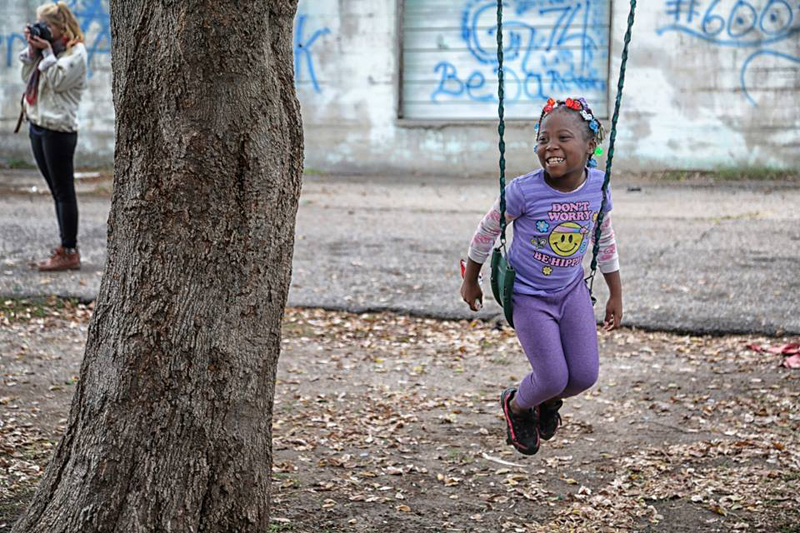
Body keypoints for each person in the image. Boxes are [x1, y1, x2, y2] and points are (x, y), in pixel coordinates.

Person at [460, 97, 623, 456]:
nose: (551, 146)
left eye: (563, 137)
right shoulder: (523, 190)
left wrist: (615, 292)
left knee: (582, 376)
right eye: (543, 138)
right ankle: (518, 406)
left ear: (590, 145)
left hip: (571, 291)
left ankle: (545, 401)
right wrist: (471, 277)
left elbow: (604, 238)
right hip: (529, 296)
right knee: (552, 377)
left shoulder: (598, 187)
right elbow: (487, 231)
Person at [19, 2, 88, 271]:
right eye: (40, 25)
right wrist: (33, 51)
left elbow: (59, 83)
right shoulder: (48, 50)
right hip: (38, 123)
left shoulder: (76, 52)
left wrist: (47, 53)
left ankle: (70, 251)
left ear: (61, 26)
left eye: (47, 26)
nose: (43, 30)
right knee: (56, 191)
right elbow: (27, 77)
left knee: (63, 192)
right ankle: (65, 246)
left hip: (59, 129)